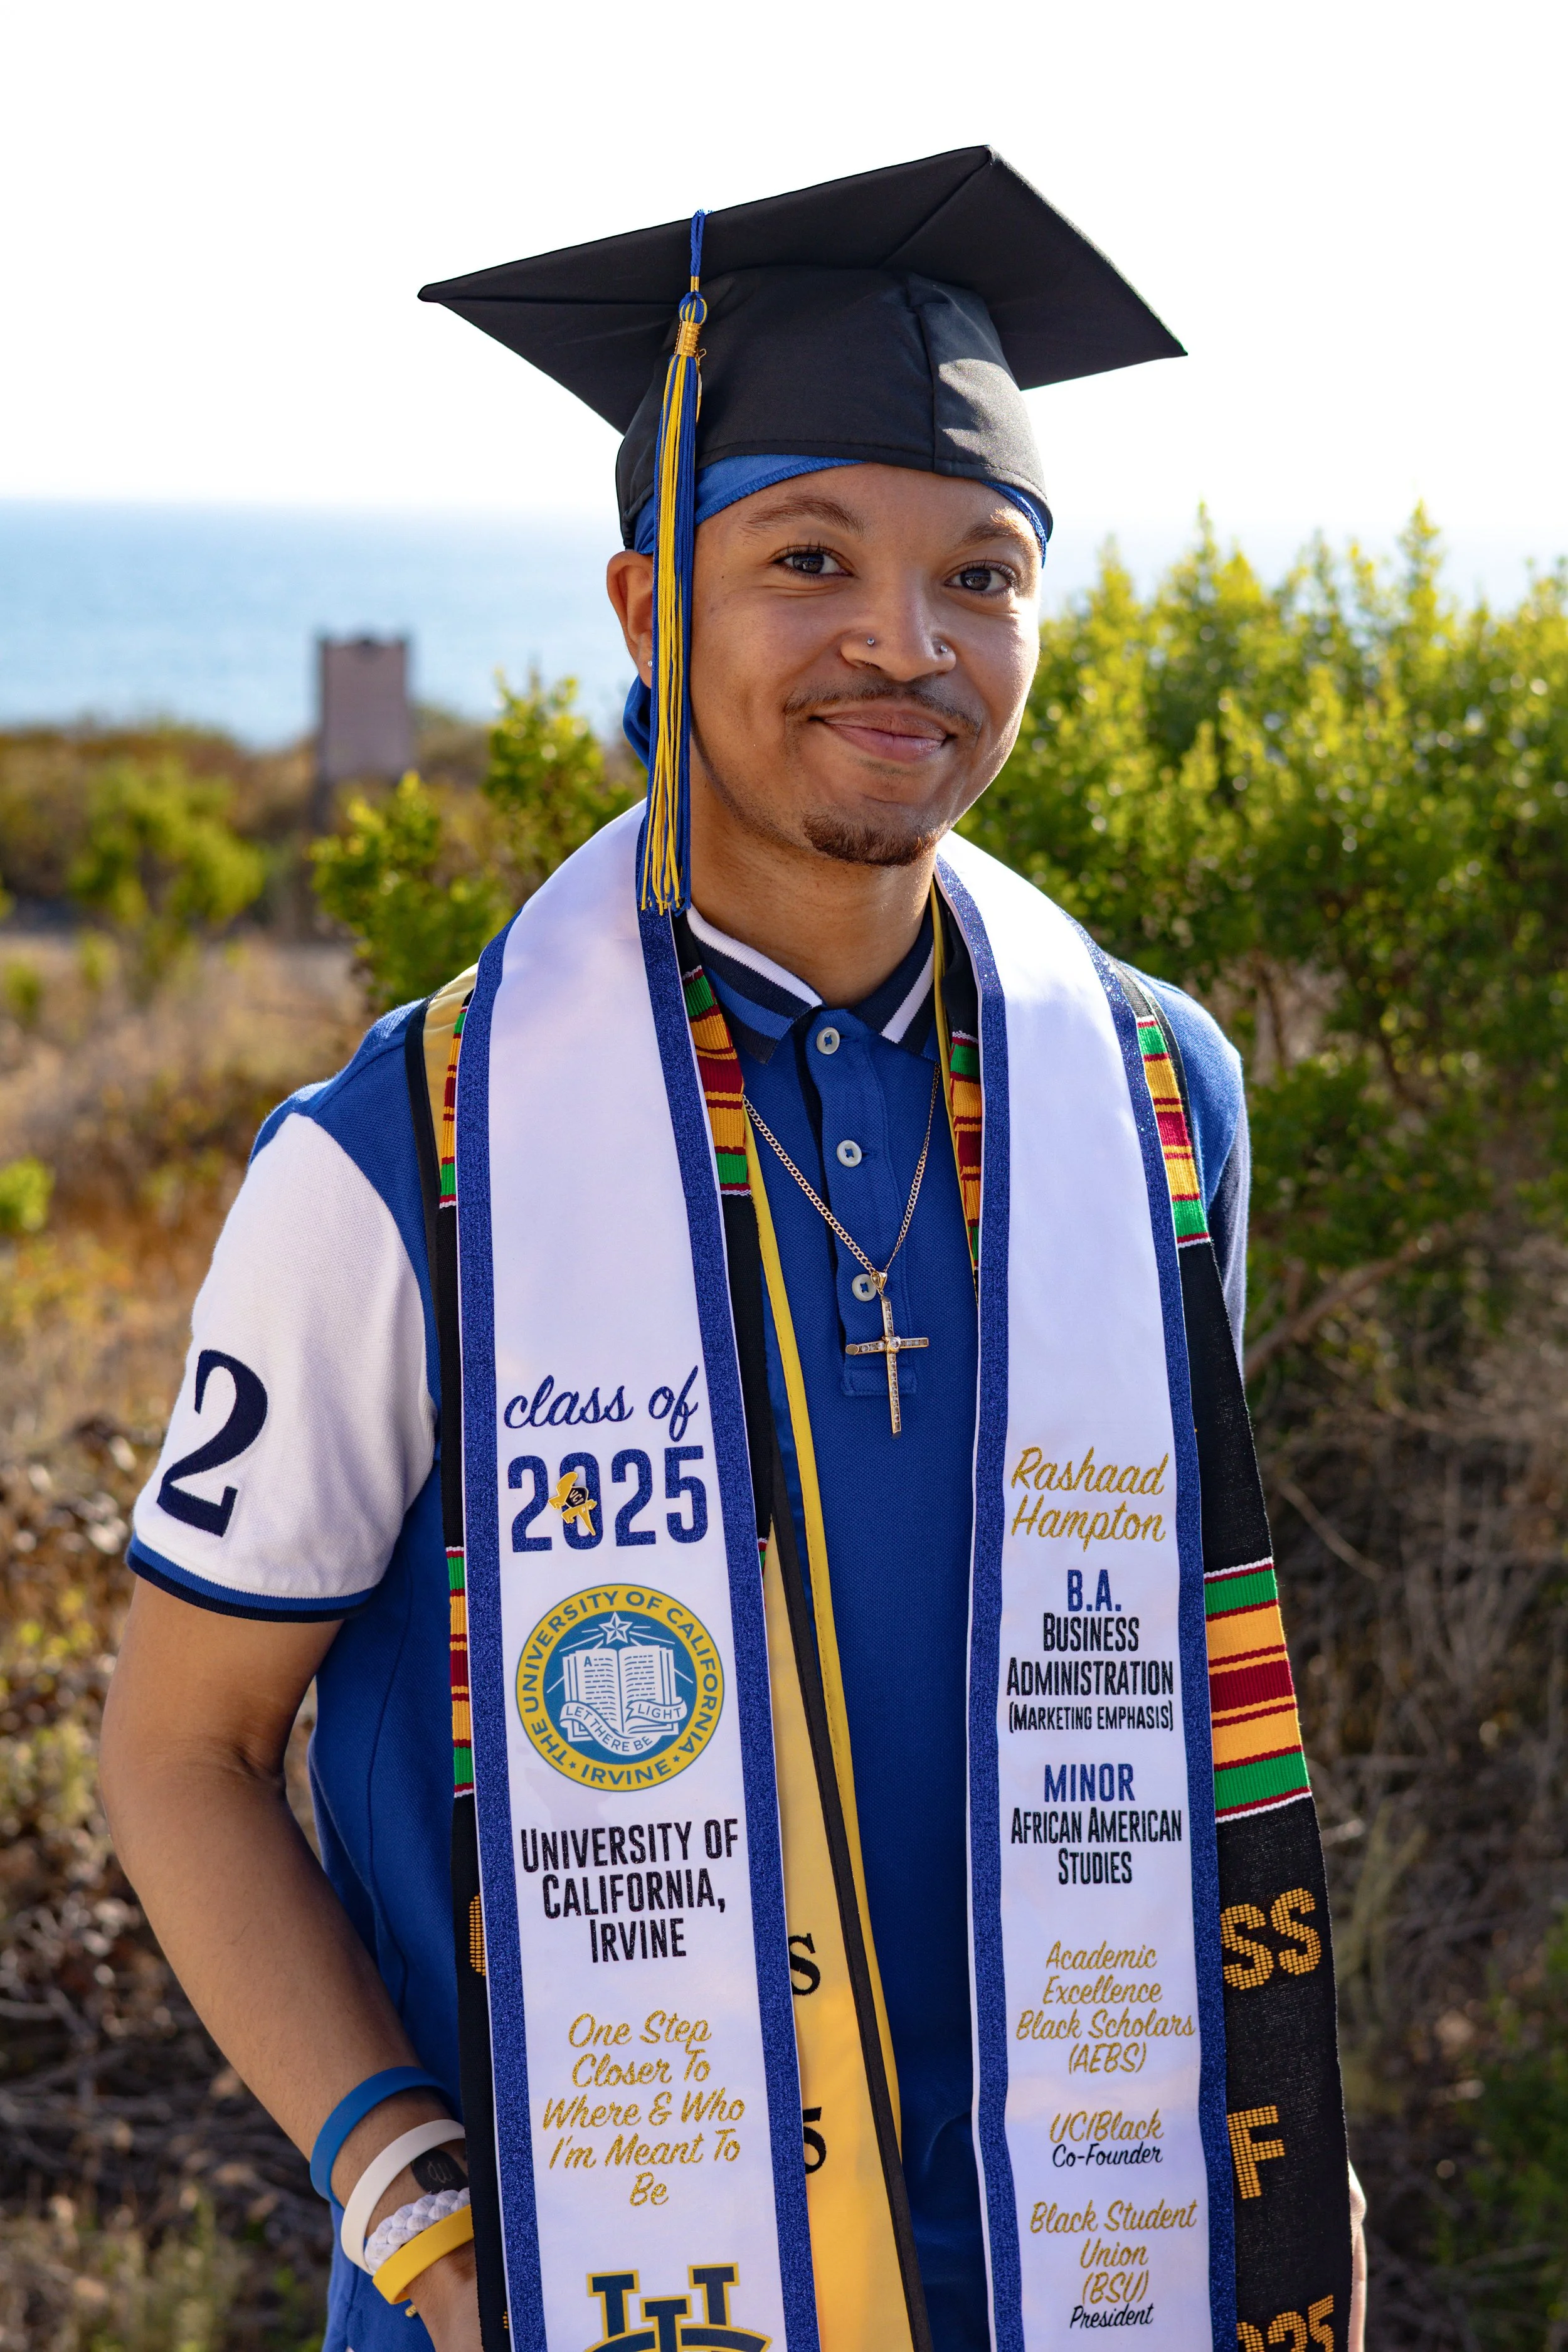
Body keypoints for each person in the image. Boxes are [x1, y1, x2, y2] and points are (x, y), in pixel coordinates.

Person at [100, 149, 1362, 2352]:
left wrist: (1281, 2142)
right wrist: (411, 2196)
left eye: (982, 571)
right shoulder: (403, 1153)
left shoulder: (1155, 1099)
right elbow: (177, 1746)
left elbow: (1161, 1669)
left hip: (1087, 2270)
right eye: (808, 559)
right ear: (642, 610)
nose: (907, 639)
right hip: (588, 2274)